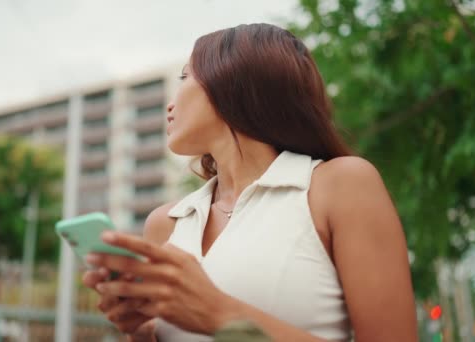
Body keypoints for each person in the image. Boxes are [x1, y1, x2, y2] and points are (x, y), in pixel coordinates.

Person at [82, 23, 418, 341]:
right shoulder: (164, 223)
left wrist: (222, 315)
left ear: (232, 82)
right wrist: (141, 333)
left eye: (186, 76)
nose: (171, 103)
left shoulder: (340, 184)